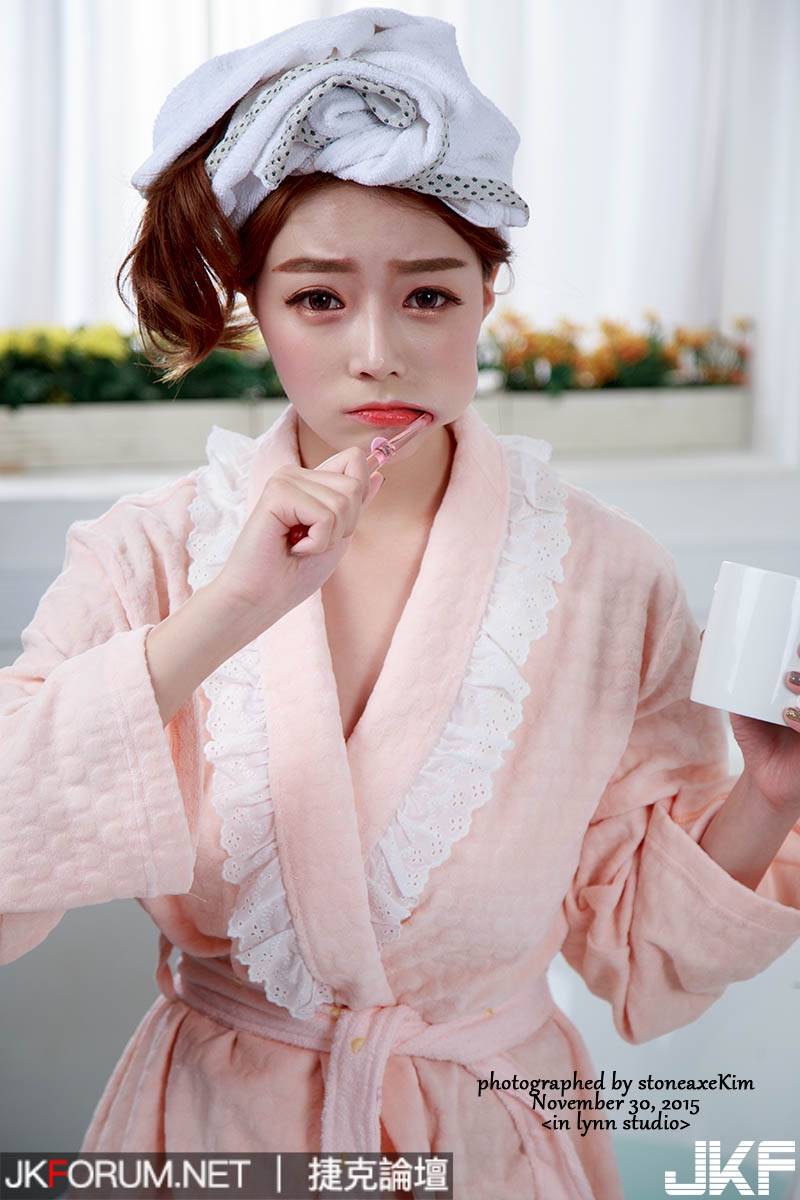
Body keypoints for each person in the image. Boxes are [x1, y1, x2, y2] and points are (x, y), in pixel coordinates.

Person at [2, 8, 800, 1198]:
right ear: (257, 310)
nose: (375, 350)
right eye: (318, 300)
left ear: (486, 297)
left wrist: (771, 795)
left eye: (426, 296)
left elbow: (639, 951)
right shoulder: (146, 555)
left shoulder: (606, 573)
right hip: (225, 1138)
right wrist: (227, 611)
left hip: (490, 1142)